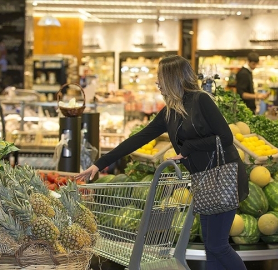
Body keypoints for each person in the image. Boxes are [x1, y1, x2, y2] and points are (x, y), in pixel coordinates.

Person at [76, 55, 249, 270]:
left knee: (218, 246)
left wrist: (187, 149)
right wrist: (98, 164)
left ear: (172, 78)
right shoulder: (170, 112)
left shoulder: (201, 100)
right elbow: (138, 139)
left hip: (223, 178)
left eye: (160, 78)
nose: (157, 83)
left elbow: (225, 137)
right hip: (203, 180)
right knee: (212, 246)